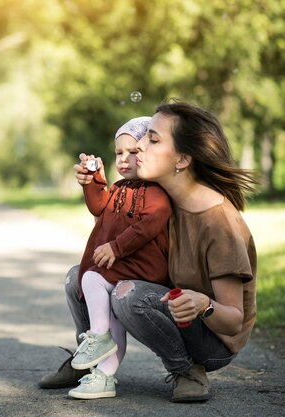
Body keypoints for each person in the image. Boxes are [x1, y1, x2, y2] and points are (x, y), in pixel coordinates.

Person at [39, 99, 258, 403]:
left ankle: (186, 370)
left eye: (152, 139)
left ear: (181, 160)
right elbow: (112, 228)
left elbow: (234, 321)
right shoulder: (161, 196)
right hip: (173, 307)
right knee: (81, 276)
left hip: (212, 339)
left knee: (126, 294)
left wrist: (203, 303)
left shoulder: (218, 223)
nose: (139, 146)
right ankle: (90, 360)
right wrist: (94, 184)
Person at [67, 116, 172, 399]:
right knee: (115, 323)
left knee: (91, 277)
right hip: (124, 267)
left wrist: (116, 247)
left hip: (142, 268)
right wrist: (93, 181)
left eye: (134, 152)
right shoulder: (119, 188)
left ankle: (97, 337)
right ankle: (105, 376)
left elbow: (151, 222)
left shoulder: (156, 192)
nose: (124, 159)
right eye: (119, 153)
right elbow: (98, 206)